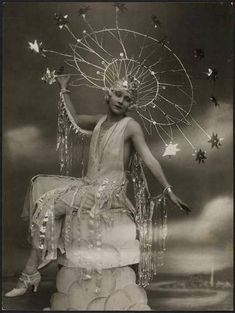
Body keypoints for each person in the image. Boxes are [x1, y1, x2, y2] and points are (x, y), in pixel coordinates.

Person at [5, 74, 190, 297]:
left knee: (50, 207)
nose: (121, 101)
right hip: (89, 187)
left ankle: (29, 274)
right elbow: (73, 117)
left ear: (132, 105)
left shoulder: (131, 127)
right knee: (41, 188)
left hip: (109, 192)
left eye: (128, 99)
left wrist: (169, 191)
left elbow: (150, 159)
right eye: (118, 94)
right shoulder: (99, 121)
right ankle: (34, 270)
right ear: (108, 94)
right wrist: (64, 88)